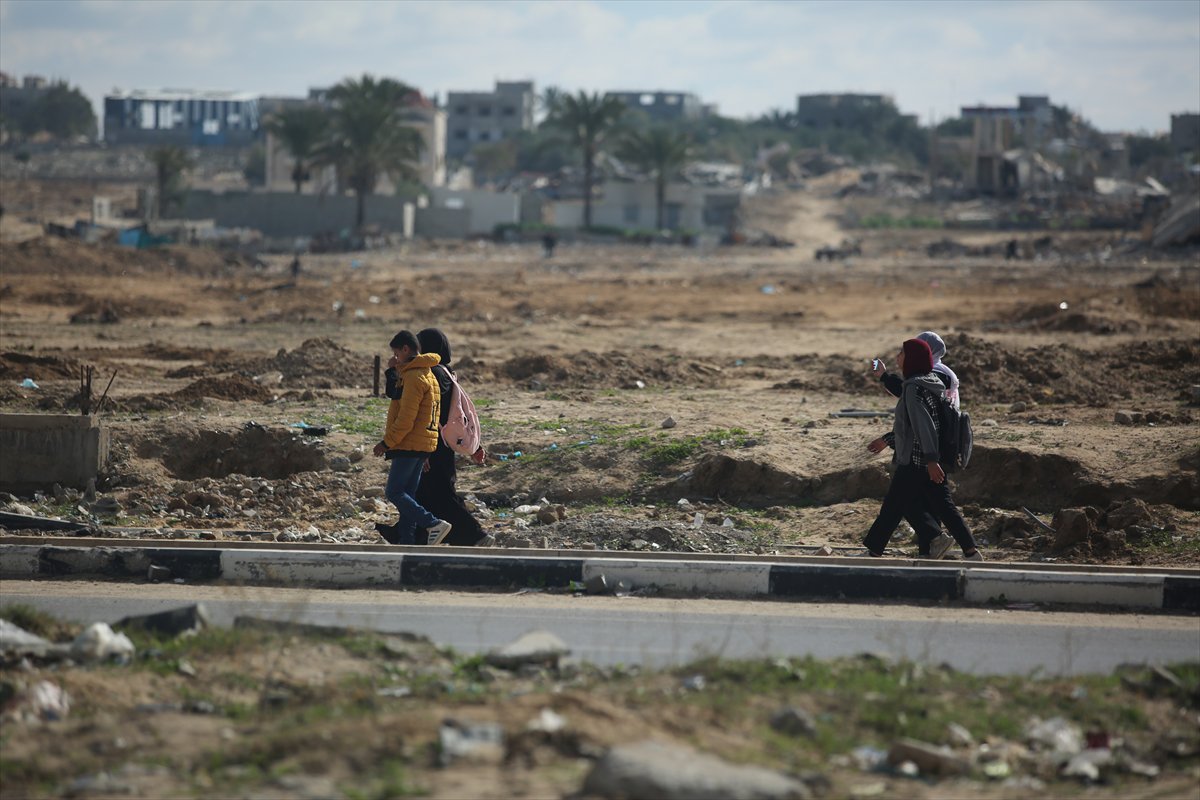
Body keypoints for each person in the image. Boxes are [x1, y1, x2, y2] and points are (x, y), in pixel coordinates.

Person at [862, 338, 982, 561]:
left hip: (916, 460)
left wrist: (930, 460)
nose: (898, 356)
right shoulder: (928, 382)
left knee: (893, 507)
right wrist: (884, 376)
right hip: (925, 459)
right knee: (943, 506)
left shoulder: (914, 389)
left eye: (902, 353)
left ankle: (874, 552)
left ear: (912, 359)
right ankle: (970, 551)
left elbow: (923, 426)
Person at [409, 328, 490, 547]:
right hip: (439, 443)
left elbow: (432, 413)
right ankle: (416, 540)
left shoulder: (434, 374)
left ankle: (475, 535)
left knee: (440, 495)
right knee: (427, 494)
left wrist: (423, 448)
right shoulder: (447, 373)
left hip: (432, 444)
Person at [373, 330, 452, 546]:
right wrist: (393, 370)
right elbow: (397, 394)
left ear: (406, 349)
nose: (395, 358)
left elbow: (406, 419)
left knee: (394, 492)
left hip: (408, 444)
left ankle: (433, 523)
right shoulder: (426, 374)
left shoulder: (414, 377)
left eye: (397, 354)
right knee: (407, 494)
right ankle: (406, 541)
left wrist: (386, 443)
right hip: (421, 445)